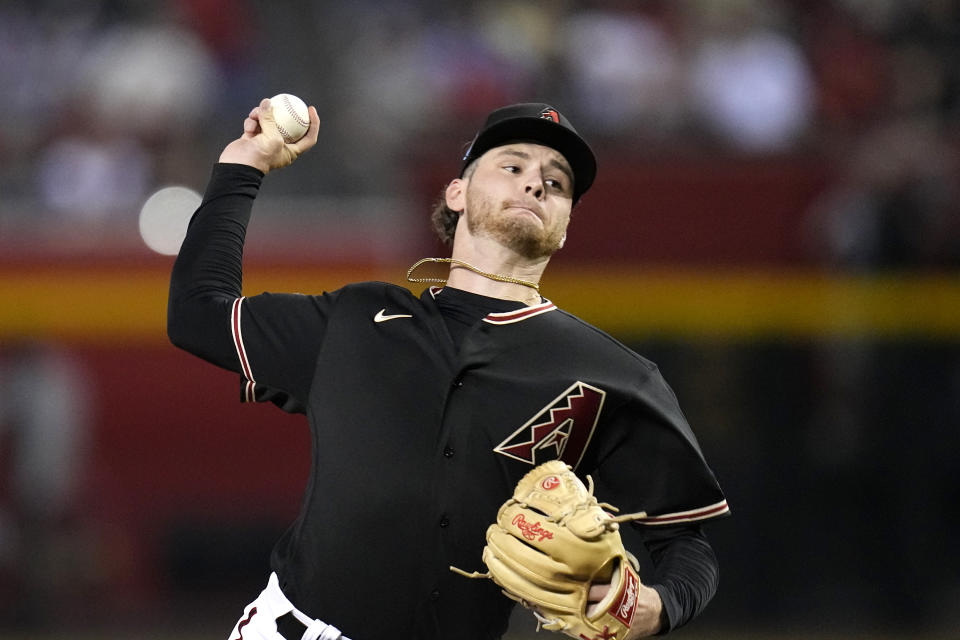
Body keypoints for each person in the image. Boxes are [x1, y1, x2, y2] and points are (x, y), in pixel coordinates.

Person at [167, 99, 729, 640]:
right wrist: (244, 166)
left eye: (557, 183)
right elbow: (197, 314)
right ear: (456, 192)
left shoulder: (613, 375)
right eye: (513, 166)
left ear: (564, 226)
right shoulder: (355, 319)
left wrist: (658, 606)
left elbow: (687, 542)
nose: (536, 183)